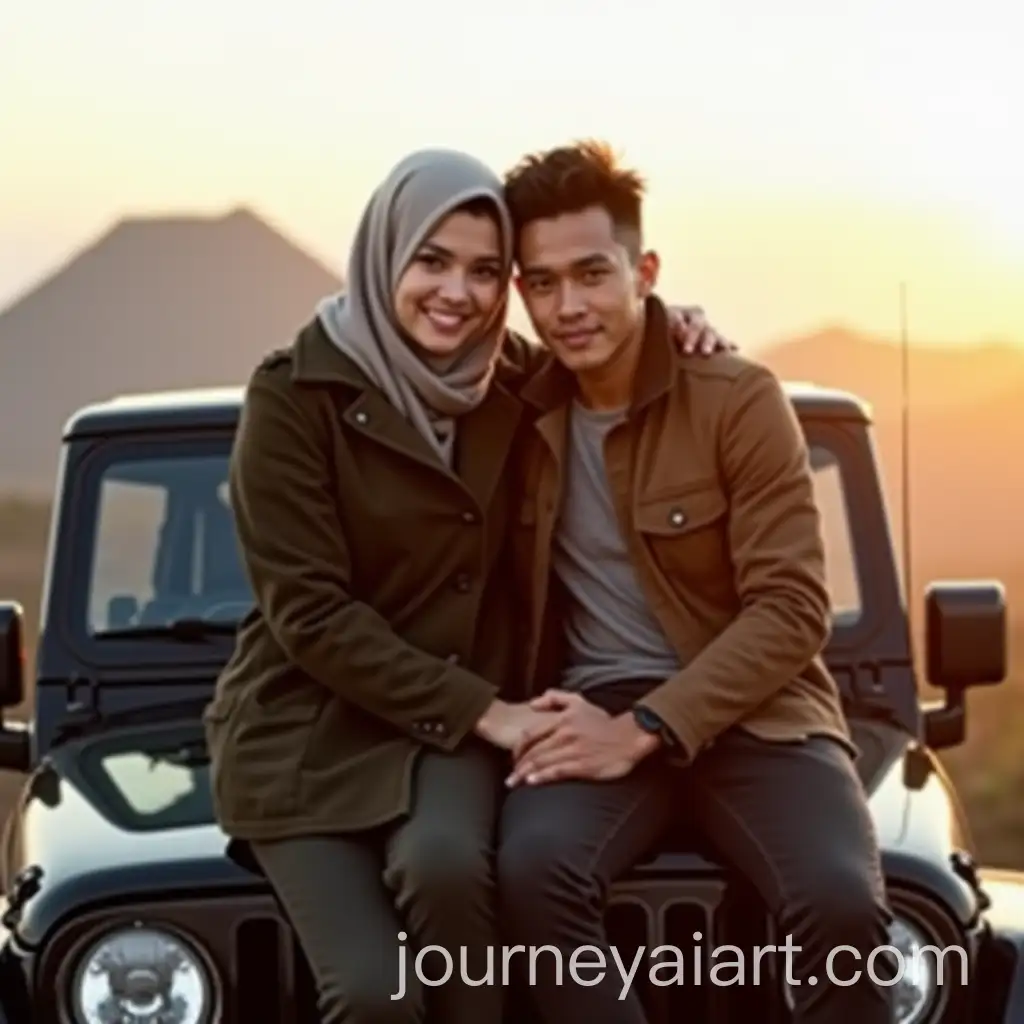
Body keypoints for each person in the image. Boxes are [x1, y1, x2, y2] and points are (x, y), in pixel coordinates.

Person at [202, 146, 731, 1024]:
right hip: (308, 730)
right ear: (384, 255)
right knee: (372, 996)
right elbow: (310, 614)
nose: (458, 293)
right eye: (432, 261)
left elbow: (605, 352)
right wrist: (493, 714)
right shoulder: (293, 396)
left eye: (486, 272)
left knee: (448, 871)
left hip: (447, 734)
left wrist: (667, 325)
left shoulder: (509, 379)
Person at [496, 140, 895, 1024]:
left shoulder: (738, 399)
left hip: (760, 712)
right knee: (530, 877)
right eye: (544, 284)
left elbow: (792, 610)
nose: (570, 307)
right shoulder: (512, 409)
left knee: (841, 902)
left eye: (593, 274)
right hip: (592, 706)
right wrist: (611, 725)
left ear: (644, 272)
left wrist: (645, 728)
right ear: (521, 292)